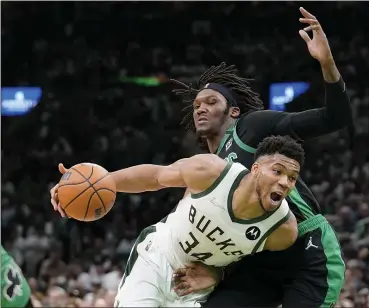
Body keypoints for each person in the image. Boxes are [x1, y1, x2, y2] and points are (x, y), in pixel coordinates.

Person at [170, 7, 350, 308]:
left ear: (234, 111)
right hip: (257, 260)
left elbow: (336, 116)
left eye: (211, 101)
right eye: (197, 104)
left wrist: (327, 63)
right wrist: (214, 272)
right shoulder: (206, 169)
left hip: (307, 252)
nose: (200, 108)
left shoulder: (251, 127)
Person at [50, 135, 303, 307]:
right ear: (256, 169)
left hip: (195, 287)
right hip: (158, 256)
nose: (284, 182)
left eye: (292, 178)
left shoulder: (282, 231)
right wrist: (95, 183)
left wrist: (219, 273)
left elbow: (254, 270)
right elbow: (155, 177)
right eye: (278, 171)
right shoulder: (212, 172)